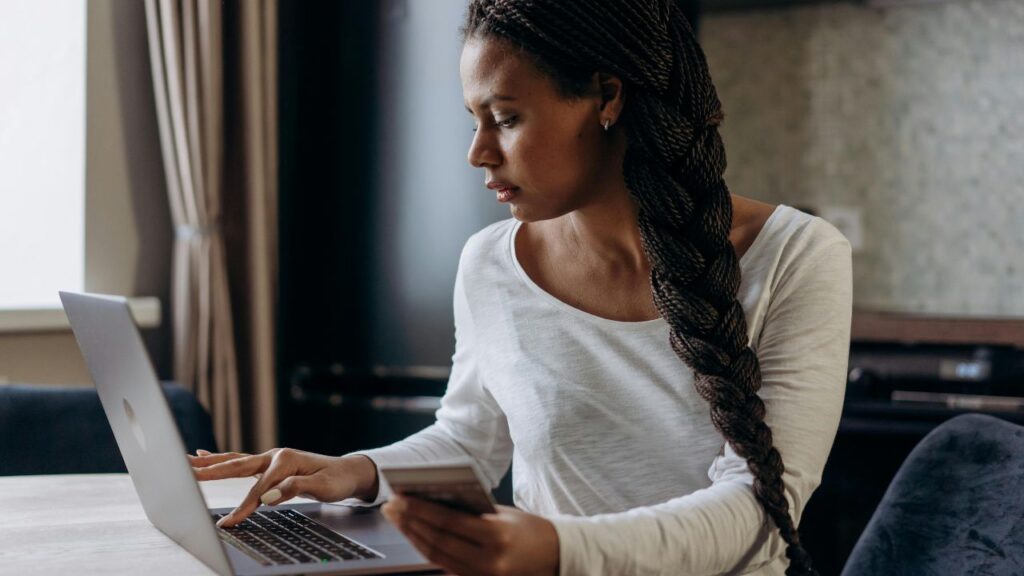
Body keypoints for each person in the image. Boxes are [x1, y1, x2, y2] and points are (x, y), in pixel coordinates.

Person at [190, 1, 852, 574]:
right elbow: (469, 443)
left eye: (505, 118)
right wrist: (354, 470)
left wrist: (559, 550)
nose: (477, 151)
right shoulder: (490, 263)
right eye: (474, 119)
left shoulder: (797, 256)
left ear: (608, 97)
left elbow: (758, 507)